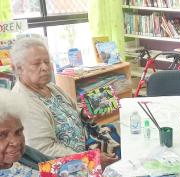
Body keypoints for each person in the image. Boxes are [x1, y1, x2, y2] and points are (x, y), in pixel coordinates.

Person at [10, 37, 119, 166]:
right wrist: (90, 159)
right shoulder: (24, 102)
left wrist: (84, 113)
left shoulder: (50, 87)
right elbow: (44, 150)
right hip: (71, 165)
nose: (45, 67)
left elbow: (71, 111)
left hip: (88, 141)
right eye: (36, 64)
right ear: (18, 68)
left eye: (46, 61)